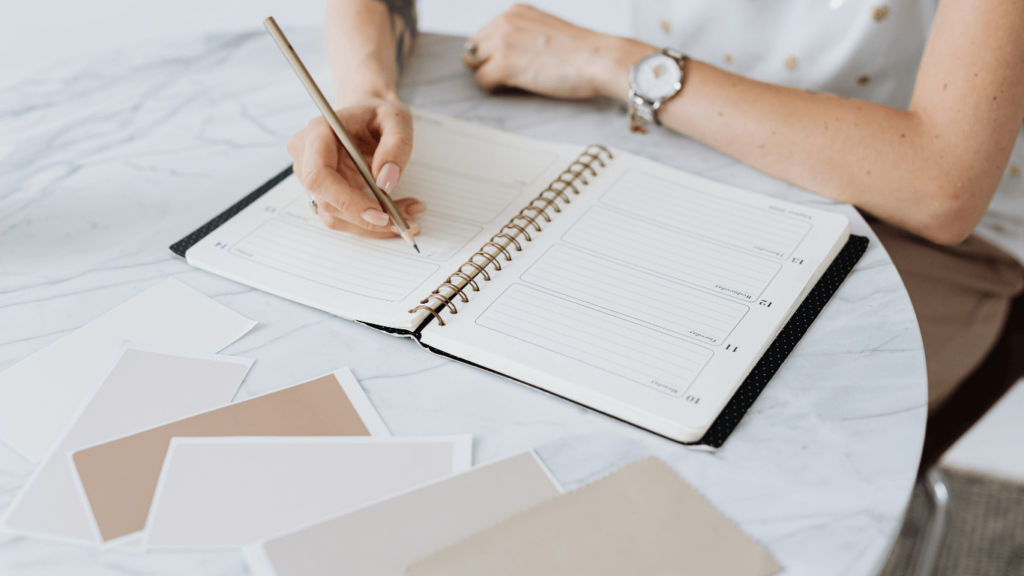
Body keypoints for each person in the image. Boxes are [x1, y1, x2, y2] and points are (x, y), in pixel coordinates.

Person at [286, 0, 1024, 415]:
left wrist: (611, 62)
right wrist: (367, 91)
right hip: (676, 159)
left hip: (927, 243)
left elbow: (940, 185)